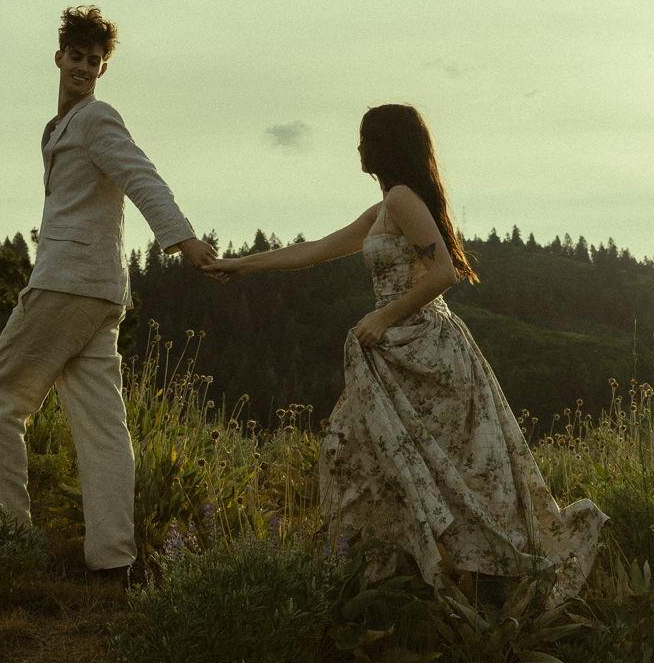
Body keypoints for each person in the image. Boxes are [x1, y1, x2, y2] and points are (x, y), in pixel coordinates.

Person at [212, 103, 604, 604]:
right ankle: (394, 571)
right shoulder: (383, 209)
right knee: (361, 454)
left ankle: (446, 578)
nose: (358, 148)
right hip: (396, 350)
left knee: (438, 467)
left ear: (386, 145)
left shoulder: (401, 199)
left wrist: (382, 317)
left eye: (365, 138)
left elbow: (443, 273)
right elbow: (313, 249)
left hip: (423, 347)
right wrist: (240, 264)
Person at [0, 5, 221, 580]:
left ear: (103, 68)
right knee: (102, 425)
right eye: (77, 57)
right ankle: (113, 560)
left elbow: (141, 176)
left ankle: (8, 531)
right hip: (101, 291)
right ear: (58, 56)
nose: (84, 67)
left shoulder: (96, 118)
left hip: (68, 283)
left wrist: (184, 241)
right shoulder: (57, 127)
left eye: (94, 60)